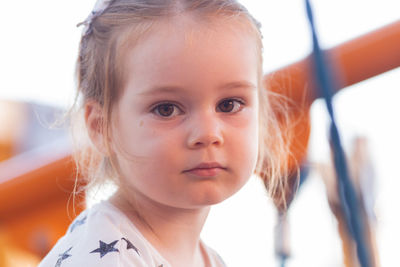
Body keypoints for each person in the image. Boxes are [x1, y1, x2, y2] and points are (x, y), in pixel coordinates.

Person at [39, 0, 291, 266]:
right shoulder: (104, 258)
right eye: (167, 109)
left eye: (229, 105)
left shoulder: (209, 259)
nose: (207, 133)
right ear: (102, 127)